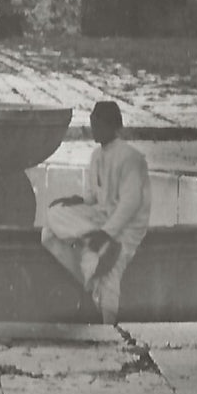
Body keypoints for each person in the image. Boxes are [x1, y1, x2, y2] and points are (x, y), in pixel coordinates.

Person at [41, 100, 151, 323]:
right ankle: (92, 264)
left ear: (112, 126)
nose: (93, 129)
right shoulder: (96, 156)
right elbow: (94, 196)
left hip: (124, 229)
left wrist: (108, 233)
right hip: (100, 223)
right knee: (51, 222)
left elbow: (131, 203)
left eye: (97, 124)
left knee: (109, 273)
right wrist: (77, 200)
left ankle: (109, 328)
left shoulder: (131, 157)